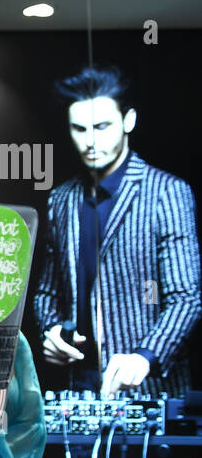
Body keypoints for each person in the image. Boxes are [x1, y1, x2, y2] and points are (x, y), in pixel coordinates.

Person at [34, 65, 201, 398]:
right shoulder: (62, 199)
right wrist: (51, 331)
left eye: (102, 126)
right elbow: (47, 292)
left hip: (150, 391)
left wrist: (145, 356)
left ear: (129, 121)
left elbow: (186, 297)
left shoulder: (166, 192)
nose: (90, 141)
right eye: (79, 129)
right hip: (78, 390)